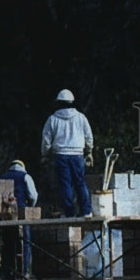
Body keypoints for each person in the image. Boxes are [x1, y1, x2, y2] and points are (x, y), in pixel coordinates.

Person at [41, 88, 93, 217]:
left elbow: (46, 140)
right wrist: (89, 151)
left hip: (61, 156)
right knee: (80, 183)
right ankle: (86, 212)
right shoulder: (81, 118)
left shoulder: (52, 119)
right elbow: (88, 136)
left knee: (65, 185)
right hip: (78, 155)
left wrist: (45, 154)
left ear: (58, 103)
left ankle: (70, 214)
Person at [0, 160, 38, 279]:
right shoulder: (25, 176)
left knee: (8, 243)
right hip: (21, 214)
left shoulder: (2, 177)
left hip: (6, 216)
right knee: (24, 243)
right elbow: (33, 195)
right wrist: (30, 207)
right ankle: (23, 272)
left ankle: (6, 272)